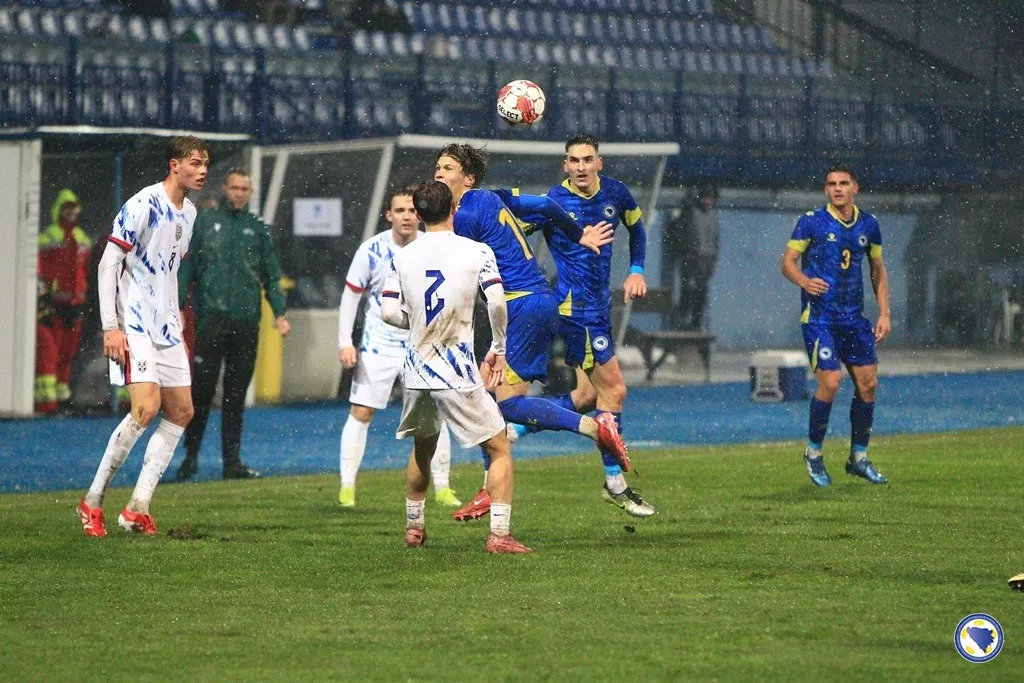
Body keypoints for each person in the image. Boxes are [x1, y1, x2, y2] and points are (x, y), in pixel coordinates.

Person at [430, 143, 631, 523]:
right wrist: (579, 234)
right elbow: (545, 206)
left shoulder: (465, 218)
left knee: (503, 406)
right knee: (492, 403)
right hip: (533, 302)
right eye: (438, 167)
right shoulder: (491, 198)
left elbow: (463, 276)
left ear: (468, 178)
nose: (439, 173)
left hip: (520, 307)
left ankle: (594, 427)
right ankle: (489, 490)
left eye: (448, 168)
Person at [508, 134, 656, 518]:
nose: (581, 167)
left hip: (599, 308)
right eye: (574, 161)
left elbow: (637, 229)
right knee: (615, 391)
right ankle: (614, 482)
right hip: (577, 311)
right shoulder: (554, 202)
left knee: (588, 396)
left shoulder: (617, 193)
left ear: (599, 163)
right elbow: (513, 231)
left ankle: (517, 427)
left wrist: (636, 269)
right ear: (565, 165)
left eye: (587, 159)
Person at [382, 180, 528, 554]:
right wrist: (498, 347)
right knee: (499, 446)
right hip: (455, 370)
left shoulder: (402, 257)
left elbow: (388, 312)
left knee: (422, 447)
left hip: (416, 373)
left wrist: (417, 323)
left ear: (418, 214)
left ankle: (414, 528)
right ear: (453, 209)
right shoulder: (476, 251)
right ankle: (499, 535)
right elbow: (497, 302)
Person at [77, 135, 208, 537]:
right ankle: (92, 501)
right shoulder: (143, 204)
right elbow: (108, 264)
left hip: (167, 326)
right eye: (195, 163)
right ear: (174, 165)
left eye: (205, 163)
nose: (202, 170)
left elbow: (169, 268)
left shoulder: (190, 213)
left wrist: (178, 313)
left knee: (182, 411)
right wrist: (110, 327)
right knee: (146, 408)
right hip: (134, 323)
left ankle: (137, 507)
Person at [337, 187, 461, 508]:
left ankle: (443, 487)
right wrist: (345, 342)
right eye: (400, 210)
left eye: (411, 210)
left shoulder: (432, 247)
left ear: (419, 215)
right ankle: (347, 487)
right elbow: (351, 295)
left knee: (435, 415)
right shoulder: (371, 250)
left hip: (422, 346)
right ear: (389, 215)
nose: (406, 216)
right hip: (378, 345)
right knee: (362, 411)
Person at [176, 168, 291, 481]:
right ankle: (190, 456)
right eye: (234, 187)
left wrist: (279, 312)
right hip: (211, 320)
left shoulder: (258, 228)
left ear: (250, 193)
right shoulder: (206, 223)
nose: (239, 193)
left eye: (244, 189)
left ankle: (232, 462)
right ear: (225, 189)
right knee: (201, 391)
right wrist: (178, 306)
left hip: (245, 321)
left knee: (236, 394)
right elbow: (189, 267)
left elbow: (271, 275)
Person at [780, 163, 891, 487]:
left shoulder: (869, 225)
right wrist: (804, 280)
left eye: (843, 183)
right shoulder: (812, 222)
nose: (837, 189)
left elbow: (877, 269)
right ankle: (814, 453)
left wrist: (884, 313)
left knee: (868, 385)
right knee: (830, 383)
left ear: (855, 188)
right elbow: (787, 262)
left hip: (853, 318)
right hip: (820, 317)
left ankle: (858, 458)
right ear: (825, 189)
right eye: (831, 184)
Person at [35, 189, 92, 414]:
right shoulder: (48, 237)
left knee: (68, 352)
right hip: (55, 303)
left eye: (74, 209)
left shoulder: (82, 238)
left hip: (75, 303)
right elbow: (41, 271)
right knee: (52, 350)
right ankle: (47, 401)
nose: (71, 214)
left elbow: (85, 270)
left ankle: (61, 396)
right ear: (59, 210)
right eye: (67, 209)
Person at [664, 183, 719, 330]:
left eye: (711, 199)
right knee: (688, 291)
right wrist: (686, 253)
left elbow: (714, 240)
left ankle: (696, 324)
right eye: (706, 198)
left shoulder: (712, 215)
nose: (708, 202)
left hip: (705, 262)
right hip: (691, 259)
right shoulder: (691, 212)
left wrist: (712, 260)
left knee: (701, 294)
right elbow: (681, 234)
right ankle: (682, 323)